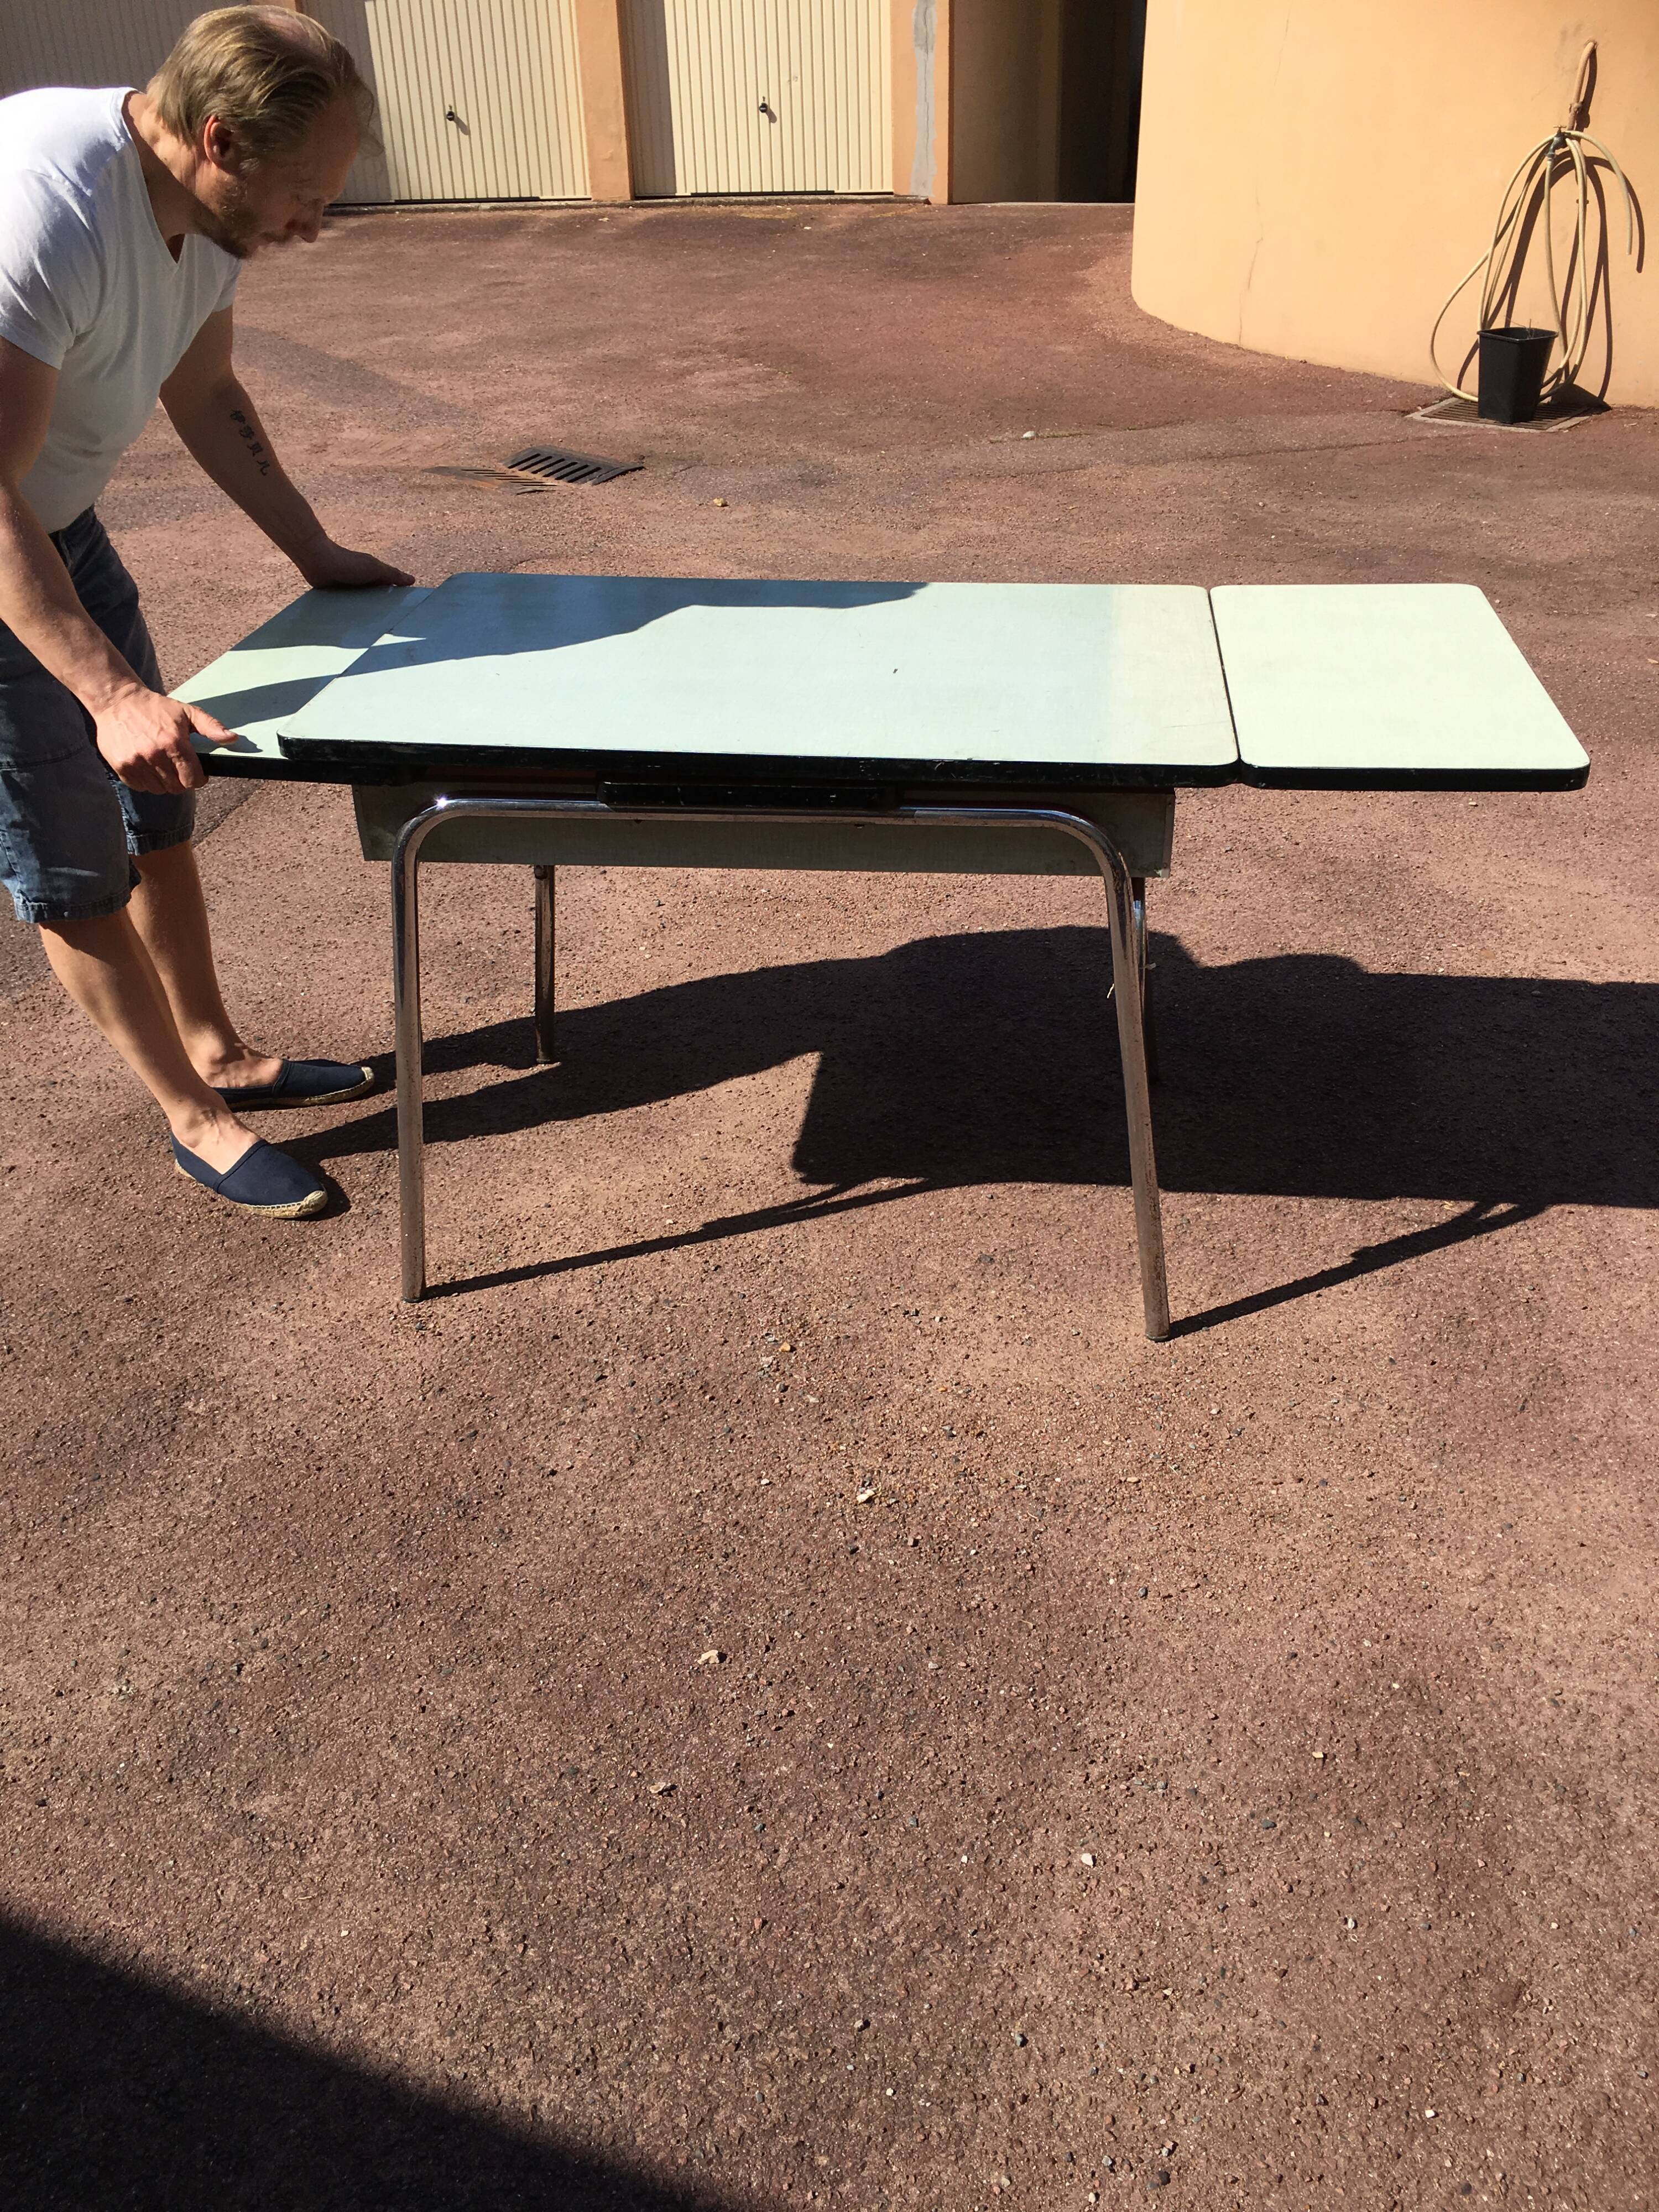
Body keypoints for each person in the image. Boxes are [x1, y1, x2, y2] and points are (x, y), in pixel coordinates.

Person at [0, 6, 414, 1220]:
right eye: (305, 193)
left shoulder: (207, 216)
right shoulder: (49, 212)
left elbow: (205, 386)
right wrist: (108, 690)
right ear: (220, 138)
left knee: (158, 799)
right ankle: (195, 1116)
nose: (317, 222)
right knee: (73, 859)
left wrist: (317, 550)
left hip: (51, 515)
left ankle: (219, 1049)